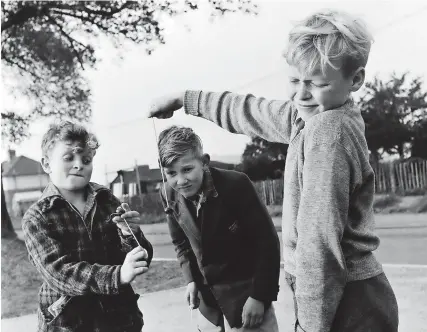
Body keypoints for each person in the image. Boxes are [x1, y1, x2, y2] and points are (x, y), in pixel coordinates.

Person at [148, 9, 399, 332]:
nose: (300, 93)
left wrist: (309, 326)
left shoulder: (329, 134)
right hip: (340, 295)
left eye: (317, 83)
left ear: (356, 80)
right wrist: (186, 99)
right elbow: (249, 111)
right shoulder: (309, 114)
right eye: (295, 80)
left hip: (349, 299)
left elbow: (318, 245)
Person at [22, 120, 153, 332]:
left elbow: (141, 258)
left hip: (119, 320)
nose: (79, 164)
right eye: (68, 157)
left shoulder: (107, 200)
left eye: (86, 159)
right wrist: (117, 276)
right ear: (46, 164)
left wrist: (130, 235)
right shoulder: (37, 217)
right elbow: (59, 273)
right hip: (69, 323)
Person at [157, 125, 281, 331]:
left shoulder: (236, 184)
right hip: (208, 305)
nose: (180, 181)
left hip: (246, 298)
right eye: (171, 173)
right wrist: (191, 280)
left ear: (204, 162)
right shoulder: (168, 192)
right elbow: (180, 242)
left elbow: (266, 242)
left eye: (187, 169)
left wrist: (259, 296)